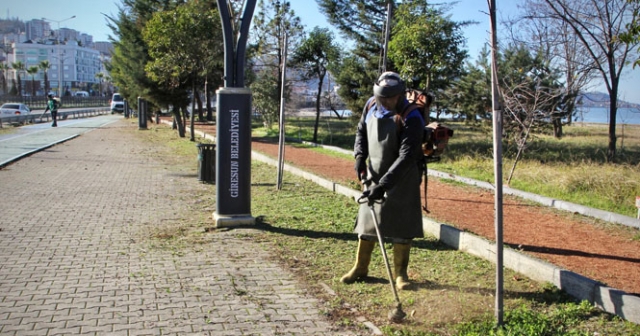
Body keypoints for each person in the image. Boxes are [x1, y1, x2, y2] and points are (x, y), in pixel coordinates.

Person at [341, 71, 425, 291]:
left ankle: (401, 274)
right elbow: (361, 131)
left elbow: (407, 156)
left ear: (400, 96)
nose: (385, 102)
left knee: (402, 224)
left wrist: (384, 185)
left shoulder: (412, 117)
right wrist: (359, 157)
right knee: (368, 221)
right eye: (381, 98)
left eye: (390, 98)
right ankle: (361, 267)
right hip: (374, 172)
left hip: (403, 176)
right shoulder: (370, 106)